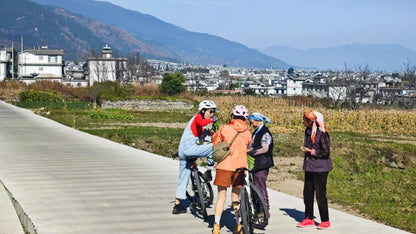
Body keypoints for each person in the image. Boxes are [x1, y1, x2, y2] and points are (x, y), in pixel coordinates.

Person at [172, 100, 218, 214]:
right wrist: (211, 120)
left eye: (213, 112)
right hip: (189, 149)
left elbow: (200, 136)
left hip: (182, 151)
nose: (212, 114)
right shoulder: (197, 117)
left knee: (183, 179)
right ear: (203, 111)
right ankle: (208, 171)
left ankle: (177, 206)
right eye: (210, 111)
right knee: (214, 147)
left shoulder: (194, 124)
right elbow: (201, 123)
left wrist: (211, 132)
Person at [212, 105, 252, 234]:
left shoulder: (224, 128)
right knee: (236, 198)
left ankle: (216, 226)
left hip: (224, 165)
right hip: (240, 166)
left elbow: (216, 144)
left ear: (232, 116)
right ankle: (237, 226)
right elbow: (248, 146)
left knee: (221, 197)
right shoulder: (247, 133)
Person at [297, 110, 332, 230]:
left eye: (305, 119)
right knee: (307, 193)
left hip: (321, 168)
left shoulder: (322, 133)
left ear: (312, 120)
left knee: (320, 195)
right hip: (310, 166)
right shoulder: (308, 131)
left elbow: (326, 152)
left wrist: (310, 151)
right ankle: (309, 218)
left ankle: (325, 220)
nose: (303, 122)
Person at [247, 112, 274, 216]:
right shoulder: (256, 132)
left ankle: (264, 208)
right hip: (256, 163)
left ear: (259, 121)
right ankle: (257, 208)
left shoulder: (265, 133)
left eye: (252, 122)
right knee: (254, 185)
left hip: (262, 163)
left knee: (260, 186)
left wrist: (250, 151)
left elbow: (265, 148)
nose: (251, 125)